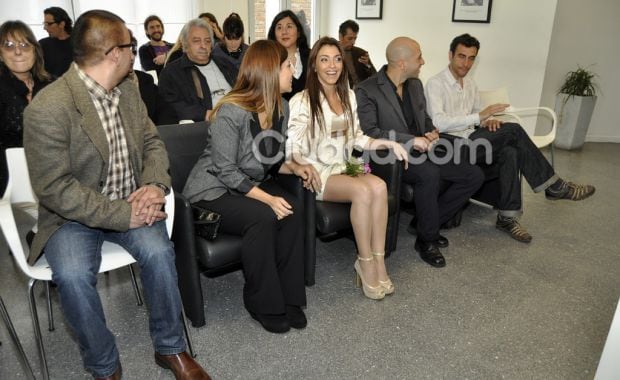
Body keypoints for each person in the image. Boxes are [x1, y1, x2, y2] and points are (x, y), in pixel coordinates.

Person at [23, 10, 210, 379]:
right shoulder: (48, 108)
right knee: (74, 276)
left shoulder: (128, 90)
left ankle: (171, 348)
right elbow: (55, 189)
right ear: (113, 53)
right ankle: (104, 365)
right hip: (72, 218)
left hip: (133, 200)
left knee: (158, 252)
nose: (133, 52)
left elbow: (153, 142)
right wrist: (124, 215)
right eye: (131, 46)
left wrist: (155, 186)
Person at [184, 40, 317, 334]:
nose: (292, 71)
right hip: (212, 190)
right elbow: (225, 169)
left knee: (291, 211)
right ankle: (262, 303)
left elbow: (271, 159)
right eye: (286, 66)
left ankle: (290, 298)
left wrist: (295, 166)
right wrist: (267, 199)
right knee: (264, 216)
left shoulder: (279, 106)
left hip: (247, 184)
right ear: (270, 71)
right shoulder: (231, 111)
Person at [425, 33, 596, 243]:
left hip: (473, 139)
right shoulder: (435, 84)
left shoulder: (469, 83)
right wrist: (480, 116)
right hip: (450, 146)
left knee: (510, 151)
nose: (466, 63)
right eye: (461, 56)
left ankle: (507, 218)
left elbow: (479, 115)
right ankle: (555, 186)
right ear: (450, 55)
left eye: (471, 58)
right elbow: (439, 122)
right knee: (513, 130)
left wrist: (487, 121)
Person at [287, 37, 409, 299]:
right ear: (314, 66)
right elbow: (293, 147)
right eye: (324, 59)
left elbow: (356, 137)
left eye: (337, 59)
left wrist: (387, 142)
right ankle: (364, 261)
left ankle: (379, 260)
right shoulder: (302, 100)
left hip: (344, 167)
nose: (332, 66)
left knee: (379, 185)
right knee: (364, 192)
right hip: (317, 172)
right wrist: (301, 166)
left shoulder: (349, 95)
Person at [356, 37, 484, 268]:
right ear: (402, 63)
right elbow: (370, 131)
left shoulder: (415, 85)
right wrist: (411, 140)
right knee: (429, 174)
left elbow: (423, 118)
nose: (423, 61)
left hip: (422, 147)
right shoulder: (367, 89)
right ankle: (427, 240)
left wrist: (429, 130)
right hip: (390, 154)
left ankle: (426, 224)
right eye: (419, 57)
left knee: (473, 175)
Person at [0, 21, 51, 196]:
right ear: (0, 54)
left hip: (55, 172)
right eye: (9, 45)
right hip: (8, 179)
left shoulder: (52, 85)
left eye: (24, 45)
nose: (18, 51)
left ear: (35, 51)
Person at [157, 18, 238, 124]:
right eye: (196, 41)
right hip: (206, 126)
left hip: (238, 118)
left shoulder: (225, 65)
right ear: (185, 44)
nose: (203, 46)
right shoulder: (172, 73)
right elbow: (170, 105)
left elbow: (245, 89)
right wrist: (204, 114)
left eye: (207, 41)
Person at [268, 10, 310, 101]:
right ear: (274, 34)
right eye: (279, 28)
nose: (284, 32)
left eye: (289, 26)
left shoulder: (312, 57)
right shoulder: (269, 61)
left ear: (298, 32)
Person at [338, 19, 376, 88]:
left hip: (362, 92)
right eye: (350, 38)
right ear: (340, 36)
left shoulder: (361, 53)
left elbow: (375, 77)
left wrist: (368, 65)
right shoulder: (331, 53)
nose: (353, 42)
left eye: (355, 38)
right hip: (341, 92)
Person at [39, 6, 73, 77]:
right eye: (45, 24)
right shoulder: (42, 45)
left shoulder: (80, 44)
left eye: (49, 24)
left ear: (62, 24)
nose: (45, 28)